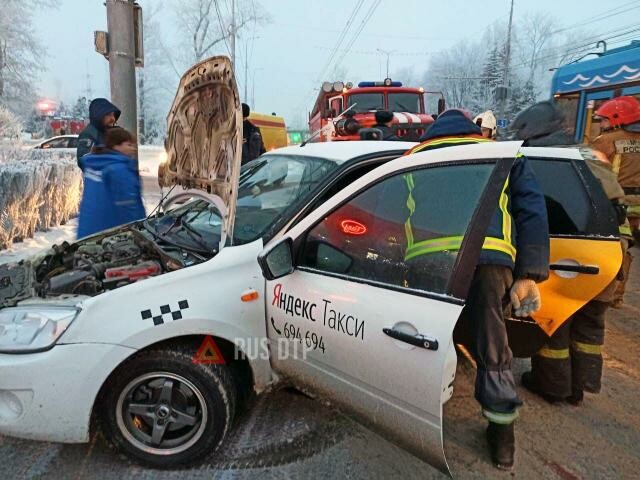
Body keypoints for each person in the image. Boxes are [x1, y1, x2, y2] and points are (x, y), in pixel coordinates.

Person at [406, 109, 550, 470]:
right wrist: (528, 273)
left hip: (429, 262)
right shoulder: (501, 152)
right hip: (490, 261)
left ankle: (418, 420)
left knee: (426, 342)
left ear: (432, 132)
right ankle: (503, 442)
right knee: (492, 343)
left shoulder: (414, 157)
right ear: (474, 129)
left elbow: (390, 212)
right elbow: (532, 209)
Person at [512, 101, 629, 406]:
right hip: (610, 254)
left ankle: (552, 386)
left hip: (570, 254)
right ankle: (581, 385)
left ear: (532, 131)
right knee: (590, 322)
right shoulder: (589, 153)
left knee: (555, 323)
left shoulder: (539, 160)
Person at [77, 127, 145, 238]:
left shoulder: (94, 165)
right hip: (111, 237)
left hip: (88, 231)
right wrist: (140, 232)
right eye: (128, 145)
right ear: (116, 146)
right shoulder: (119, 169)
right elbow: (129, 208)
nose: (133, 149)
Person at [76, 98, 121, 165]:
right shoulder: (89, 134)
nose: (113, 118)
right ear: (98, 115)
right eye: (108, 115)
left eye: (113, 115)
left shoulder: (113, 132)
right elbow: (84, 160)